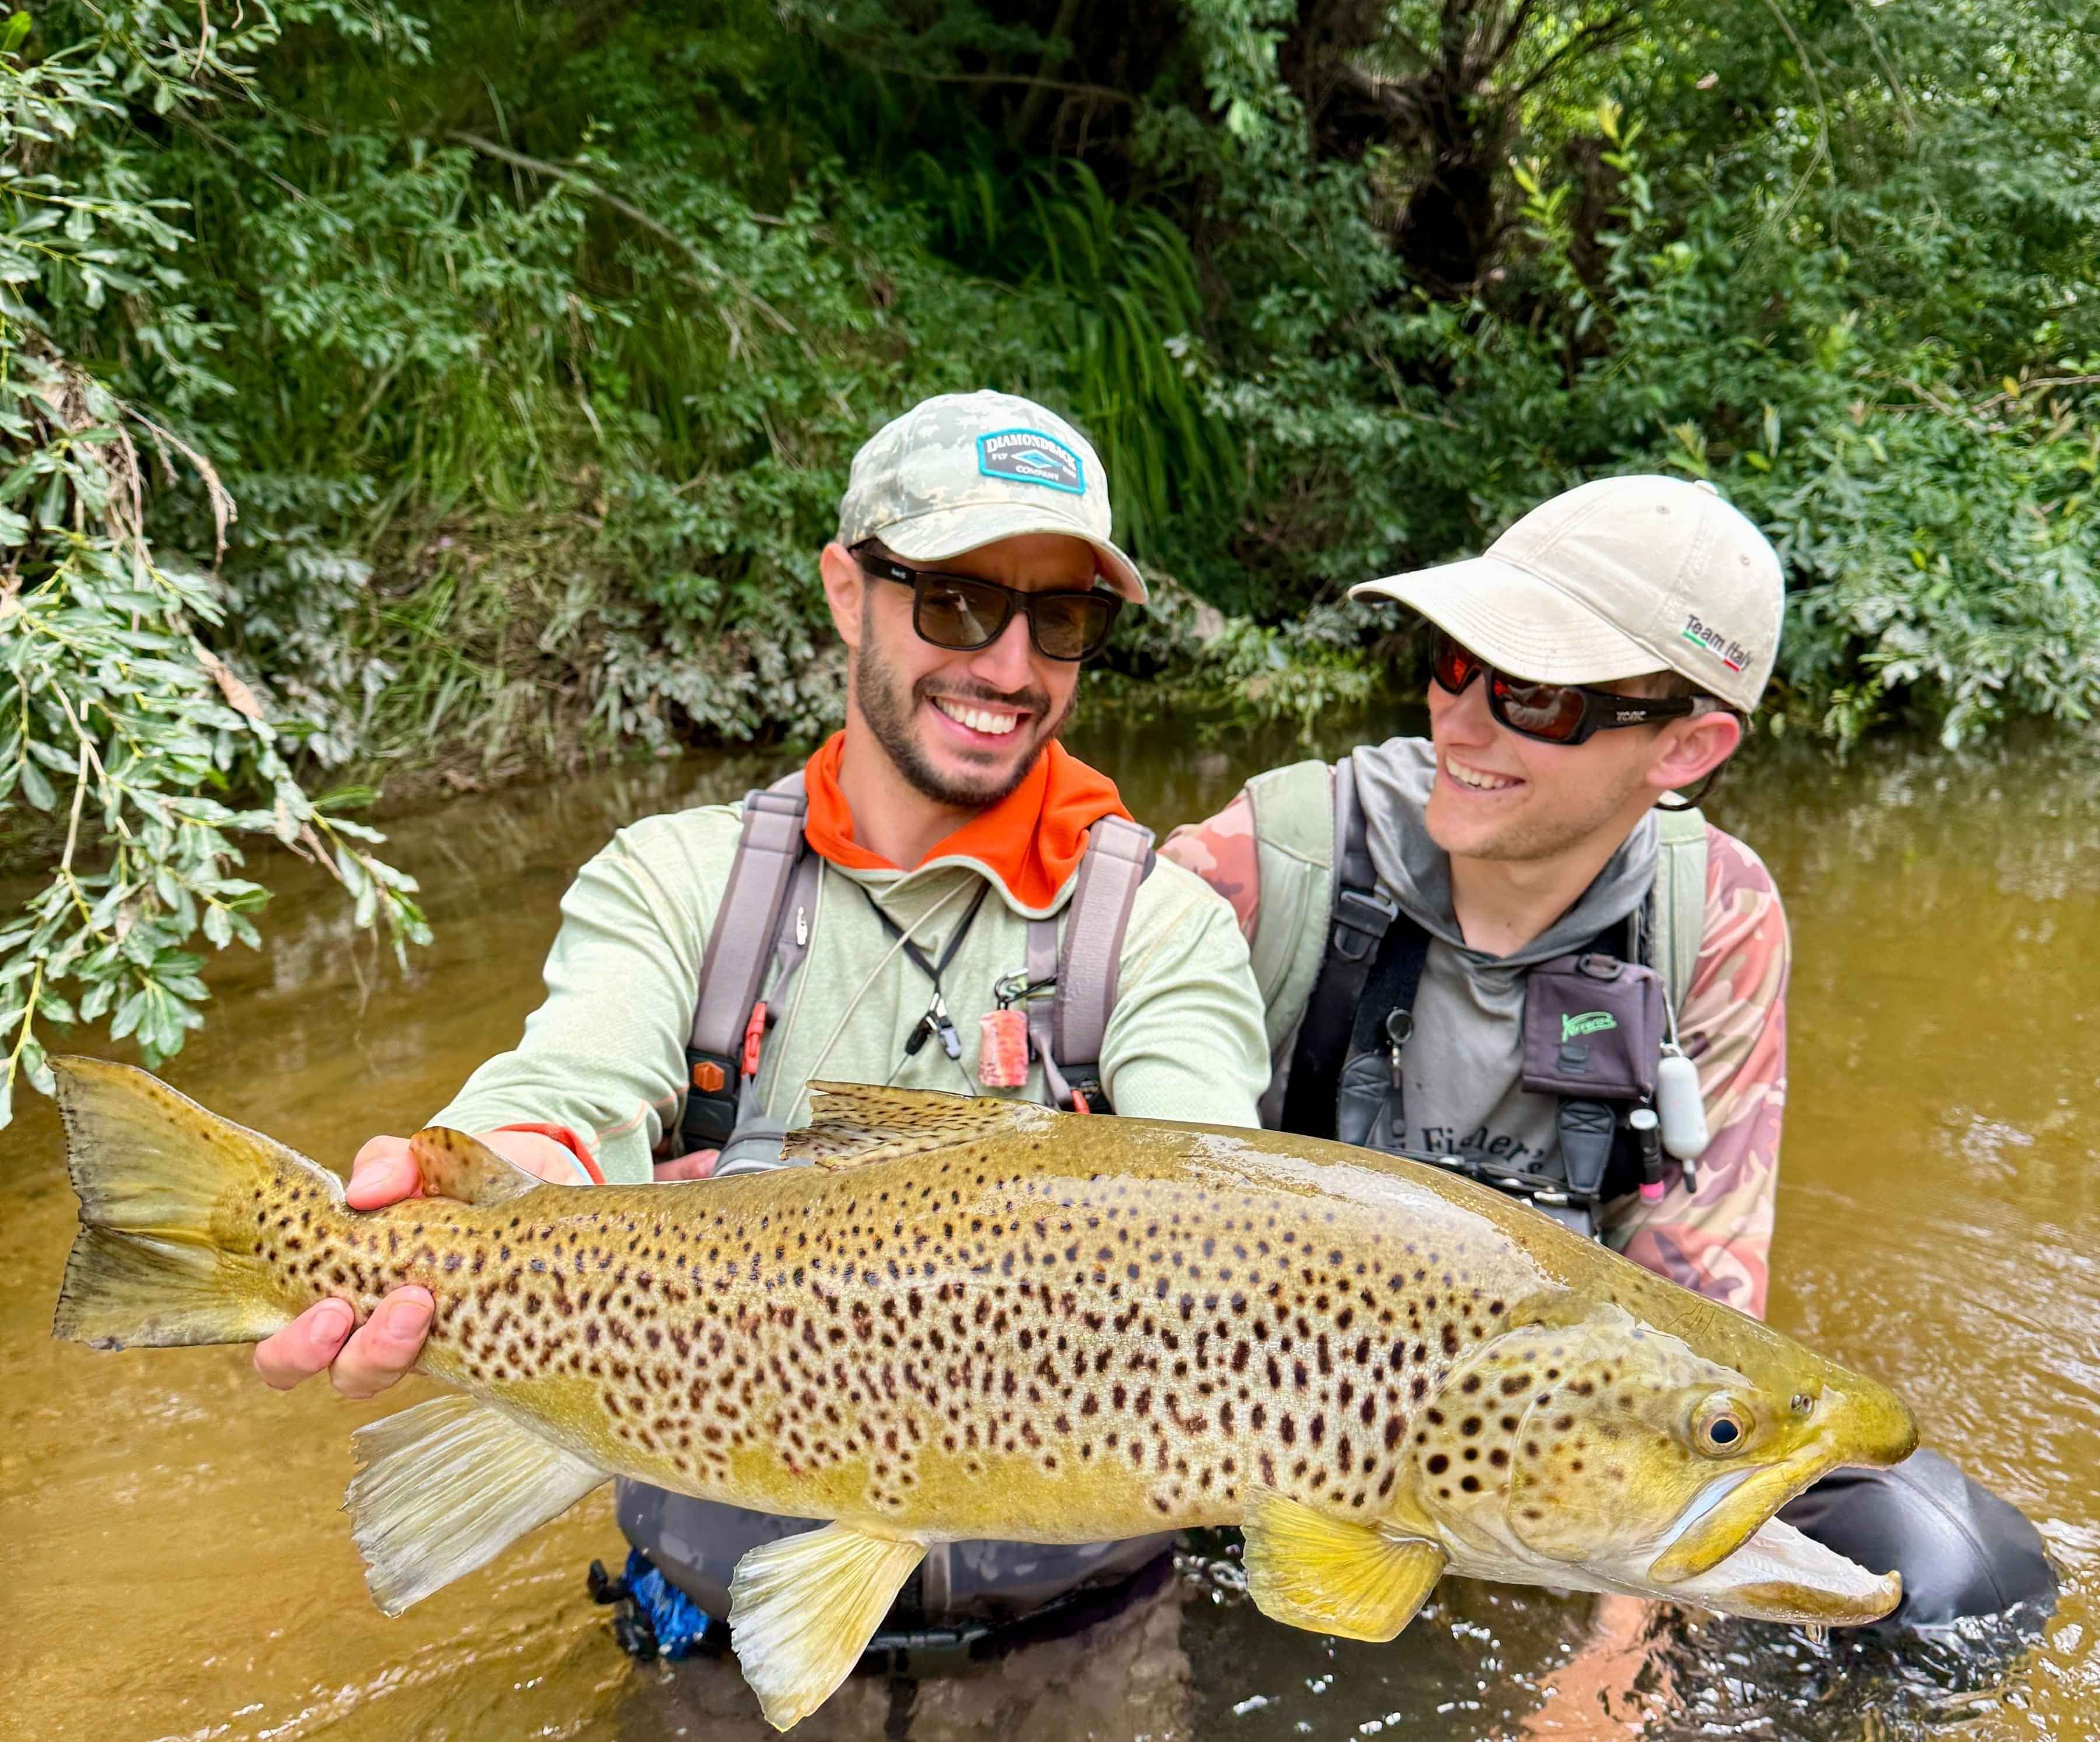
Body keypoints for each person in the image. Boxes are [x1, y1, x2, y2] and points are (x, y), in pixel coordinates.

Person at [254, 389, 1274, 1655]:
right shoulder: (680, 882)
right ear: (848, 592)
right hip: (731, 1637)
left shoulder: (1162, 924)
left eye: (1059, 619)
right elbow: (573, 1097)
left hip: (1082, 1629)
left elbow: (1231, 1212)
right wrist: (474, 1184)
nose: (1009, 668)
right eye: (954, 598)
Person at [1164, 473, 2055, 1636]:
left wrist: (1616, 1656)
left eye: (1535, 695)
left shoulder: (1715, 917)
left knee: (1957, 1575)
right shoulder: (1266, 858)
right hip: (1260, 1426)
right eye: (1455, 662)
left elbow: (1696, 1301)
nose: (1462, 720)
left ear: (1687, 746)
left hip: (1561, 1438)